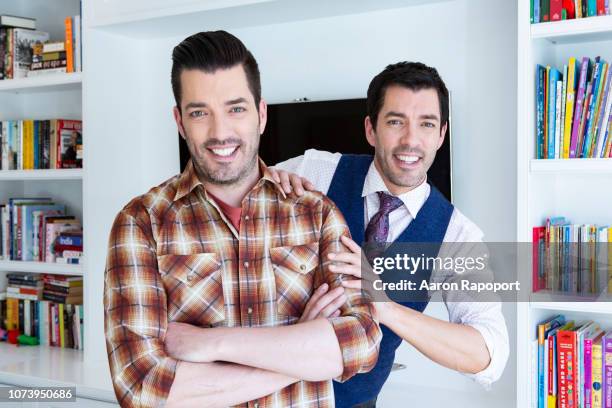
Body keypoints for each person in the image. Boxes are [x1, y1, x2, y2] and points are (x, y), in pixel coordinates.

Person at [103, 30, 381, 408]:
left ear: (261, 114)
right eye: (200, 112)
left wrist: (214, 343)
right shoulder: (140, 224)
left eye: (236, 108)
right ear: (180, 122)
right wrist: (301, 350)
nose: (220, 133)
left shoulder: (316, 213)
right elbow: (142, 388)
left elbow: (363, 343)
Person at [270, 62, 510, 408]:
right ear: (371, 129)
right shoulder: (315, 172)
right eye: (396, 122)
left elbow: (490, 354)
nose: (411, 140)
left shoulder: (458, 236)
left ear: (441, 134)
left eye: (426, 124)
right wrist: (266, 182)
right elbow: (229, 192)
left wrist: (386, 308)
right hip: (260, 392)